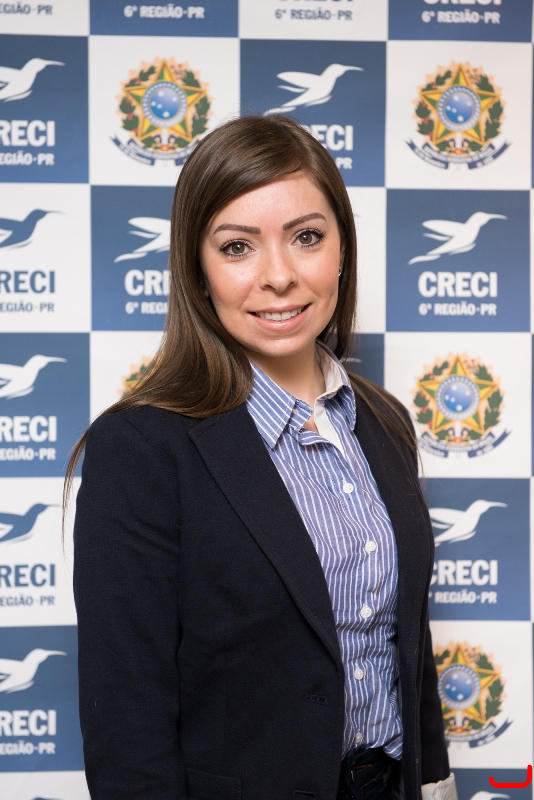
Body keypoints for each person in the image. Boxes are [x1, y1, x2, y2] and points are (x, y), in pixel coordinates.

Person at [69, 114, 457, 800]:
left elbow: (406, 649)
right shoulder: (141, 449)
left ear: (342, 248)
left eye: (306, 237)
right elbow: (127, 722)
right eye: (237, 247)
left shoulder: (385, 421)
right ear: (198, 269)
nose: (278, 276)